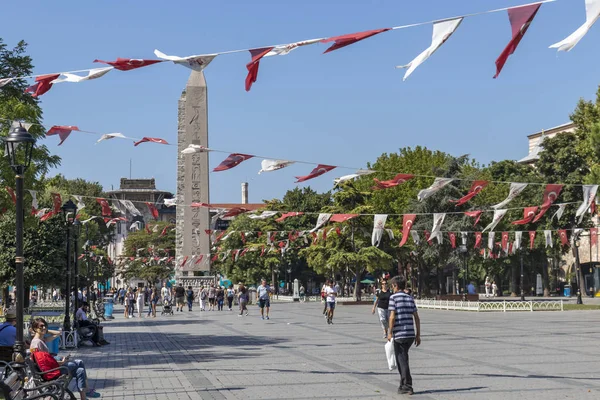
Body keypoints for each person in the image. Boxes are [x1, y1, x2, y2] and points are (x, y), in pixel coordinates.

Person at [30, 318, 100, 399]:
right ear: (35, 328)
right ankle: (87, 391)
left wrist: (45, 330)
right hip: (51, 371)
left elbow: (58, 333)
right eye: (41, 326)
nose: (44, 328)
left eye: (45, 325)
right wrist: (61, 362)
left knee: (80, 371)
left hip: (53, 367)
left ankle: (84, 396)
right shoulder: (36, 343)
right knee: (79, 362)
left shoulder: (41, 340)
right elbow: (42, 363)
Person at [387, 275, 421, 395]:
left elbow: (392, 316)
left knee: (402, 360)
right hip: (410, 334)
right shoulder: (409, 298)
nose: (392, 288)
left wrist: (389, 332)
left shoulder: (393, 298)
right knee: (403, 358)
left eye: (392, 285)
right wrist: (418, 335)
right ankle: (403, 385)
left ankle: (407, 385)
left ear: (396, 286)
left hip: (400, 334)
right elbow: (416, 317)